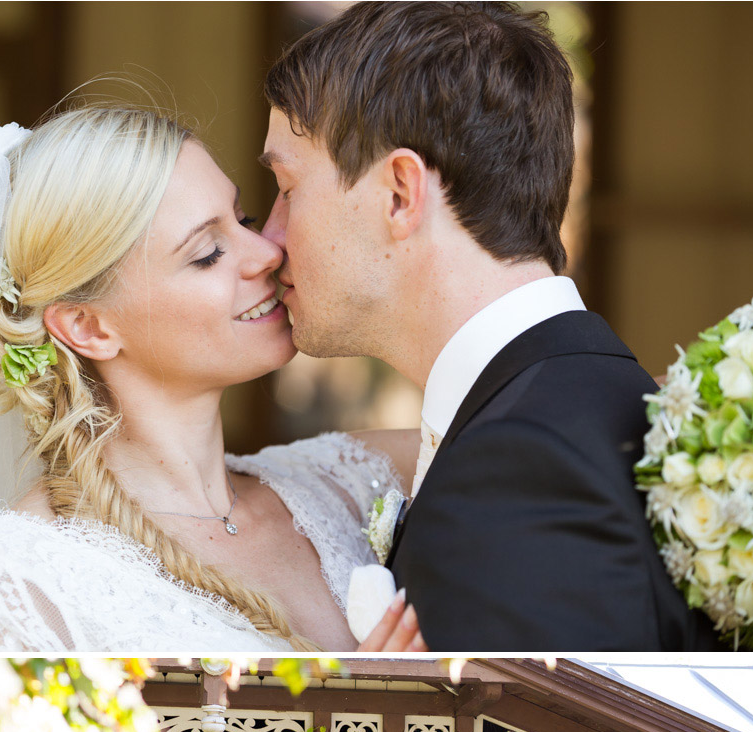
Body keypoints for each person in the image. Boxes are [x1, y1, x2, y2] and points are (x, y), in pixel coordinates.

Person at [0, 103, 425, 654]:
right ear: (87, 326)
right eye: (207, 253)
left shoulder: (350, 483)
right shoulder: (5, 607)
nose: (266, 251)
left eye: (244, 217)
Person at [261, 0, 718, 651]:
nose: (270, 239)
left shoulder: (517, 472)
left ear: (399, 193)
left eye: (286, 186)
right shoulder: (598, 400)